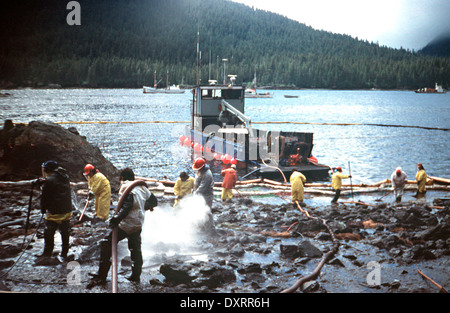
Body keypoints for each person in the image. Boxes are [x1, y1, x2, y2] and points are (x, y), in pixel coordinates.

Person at [88, 168, 157, 287]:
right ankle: (136, 276)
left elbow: (126, 206)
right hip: (138, 223)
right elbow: (154, 201)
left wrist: (116, 219)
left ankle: (102, 275)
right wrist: (142, 207)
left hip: (127, 224)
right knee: (135, 248)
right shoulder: (143, 188)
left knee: (106, 243)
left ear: (123, 178)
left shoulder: (127, 187)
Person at [39, 160, 73, 259]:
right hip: (67, 211)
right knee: (65, 232)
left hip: (55, 212)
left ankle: (47, 254)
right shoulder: (65, 177)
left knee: (49, 233)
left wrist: (43, 209)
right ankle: (64, 253)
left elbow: (45, 197)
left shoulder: (49, 181)